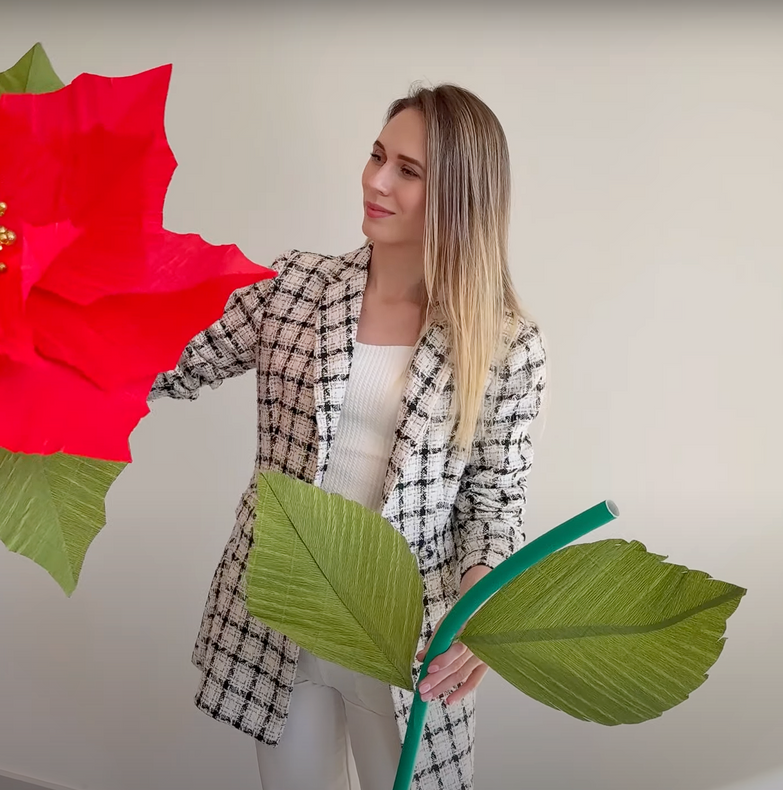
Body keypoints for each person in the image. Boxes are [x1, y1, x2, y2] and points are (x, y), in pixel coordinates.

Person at [149, 83, 547, 790]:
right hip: (283, 614)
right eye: (375, 155)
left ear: (458, 196)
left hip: (409, 637)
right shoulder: (293, 289)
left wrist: (480, 600)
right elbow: (168, 365)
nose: (375, 181)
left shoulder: (505, 344)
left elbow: (493, 504)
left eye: (407, 170)